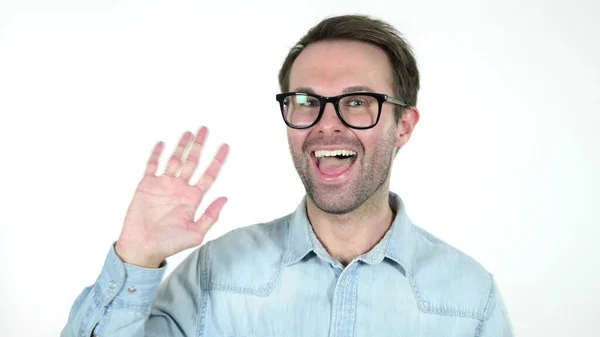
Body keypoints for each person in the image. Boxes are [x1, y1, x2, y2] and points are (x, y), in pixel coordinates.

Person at [61, 14, 513, 337]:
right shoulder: (214, 273)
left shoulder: (471, 298)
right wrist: (135, 256)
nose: (326, 124)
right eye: (306, 101)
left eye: (357, 102)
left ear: (404, 127)